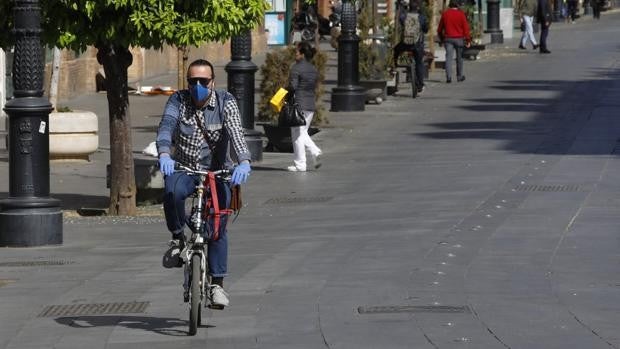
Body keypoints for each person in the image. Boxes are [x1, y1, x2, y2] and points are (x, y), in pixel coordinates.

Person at [156, 59, 252, 309]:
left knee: (218, 225)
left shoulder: (225, 101)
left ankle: (217, 285)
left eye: (203, 81)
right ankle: (178, 238)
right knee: (172, 192)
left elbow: (235, 132)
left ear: (213, 82)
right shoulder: (178, 100)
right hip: (185, 167)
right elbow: (166, 126)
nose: (198, 86)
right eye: (192, 81)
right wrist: (164, 153)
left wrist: (243, 160)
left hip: (217, 171)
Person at [287, 42, 322, 172]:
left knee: (297, 134)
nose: (295, 54)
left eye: (296, 52)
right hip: (310, 105)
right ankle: (314, 153)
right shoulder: (313, 69)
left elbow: (293, 87)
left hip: (299, 104)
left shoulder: (296, 68)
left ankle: (301, 163)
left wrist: (284, 92)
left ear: (301, 54)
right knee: (302, 132)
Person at [393, 1, 429, 94]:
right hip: (417, 45)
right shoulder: (421, 17)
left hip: (405, 44)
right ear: (418, 8)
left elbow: (400, 19)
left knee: (395, 50)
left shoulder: (404, 16)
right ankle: (420, 85)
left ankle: (394, 66)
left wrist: (402, 8)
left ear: (409, 7)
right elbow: (426, 29)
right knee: (419, 63)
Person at [437, 0, 471, 83]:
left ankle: (448, 77)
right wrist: (468, 40)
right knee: (459, 58)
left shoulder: (445, 14)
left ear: (449, 5)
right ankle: (459, 76)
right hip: (459, 39)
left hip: (448, 39)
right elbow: (466, 29)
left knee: (448, 58)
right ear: (458, 6)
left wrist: (441, 39)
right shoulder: (461, 14)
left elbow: (439, 29)